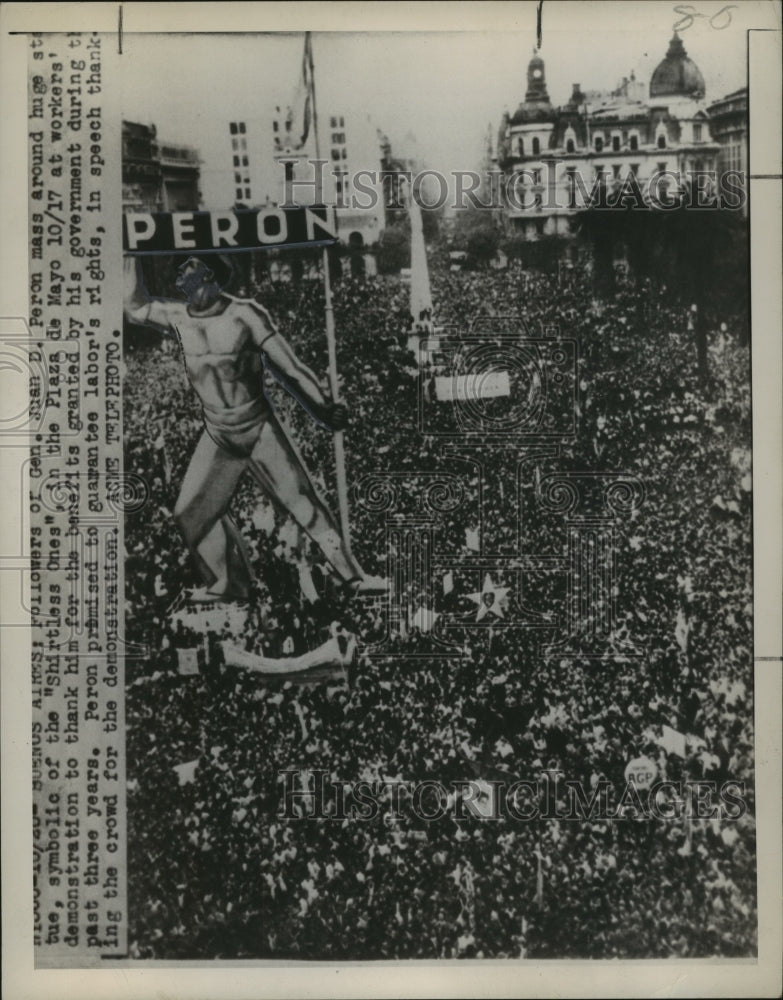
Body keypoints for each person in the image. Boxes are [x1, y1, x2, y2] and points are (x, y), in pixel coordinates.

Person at [123, 254, 384, 603]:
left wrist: (322, 406)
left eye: (187, 268)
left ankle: (352, 577)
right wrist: (128, 267)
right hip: (217, 432)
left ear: (208, 274)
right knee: (189, 514)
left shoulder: (244, 314)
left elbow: (290, 368)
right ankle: (228, 582)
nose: (179, 277)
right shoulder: (177, 316)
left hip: (257, 426)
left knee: (303, 504)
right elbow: (135, 309)